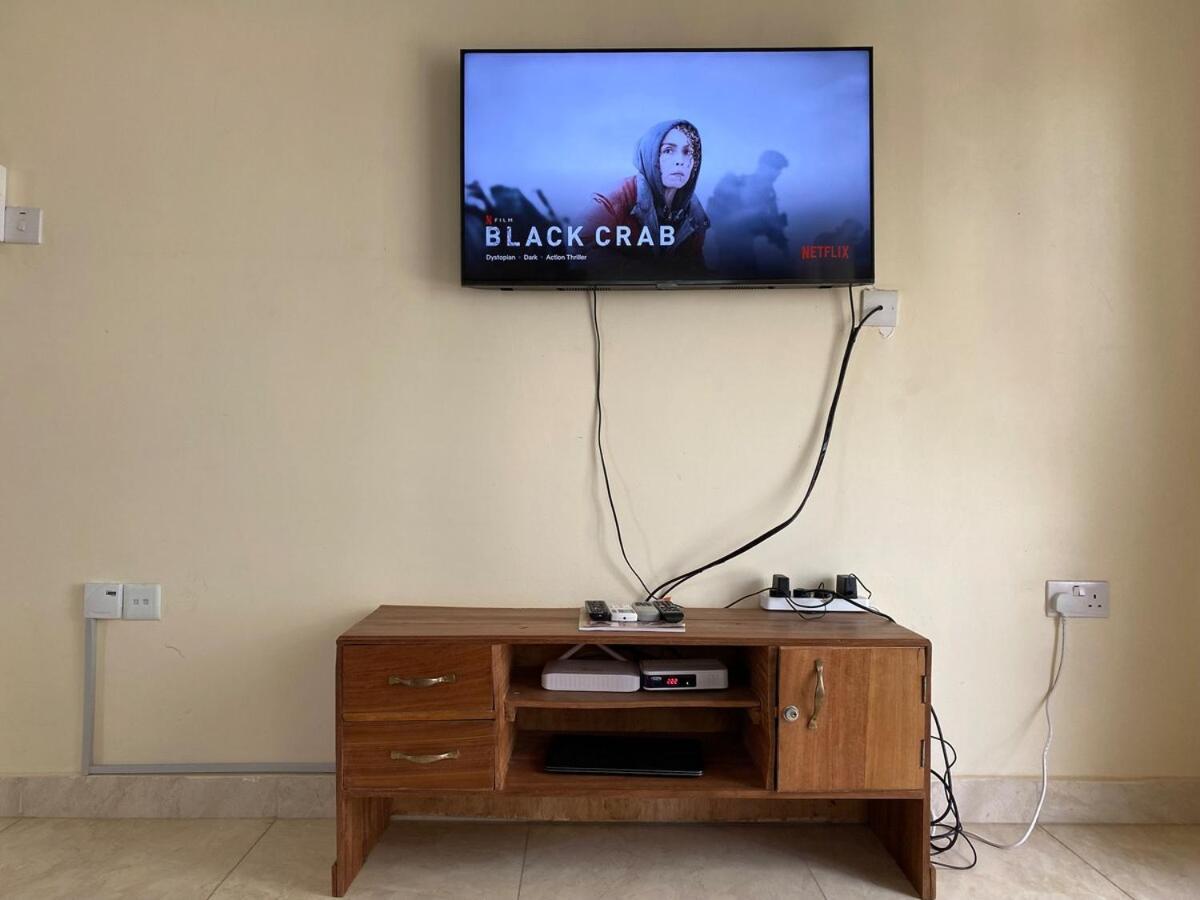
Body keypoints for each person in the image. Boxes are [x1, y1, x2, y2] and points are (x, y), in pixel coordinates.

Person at [583, 120, 710, 274]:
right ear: (650, 155)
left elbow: (695, 268)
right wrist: (647, 274)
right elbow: (581, 250)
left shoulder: (695, 215)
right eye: (668, 151)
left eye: (687, 152)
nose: (680, 161)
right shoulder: (613, 199)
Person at [707, 150, 790, 277]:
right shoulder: (737, 184)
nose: (778, 173)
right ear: (763, 166)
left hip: (748, 251)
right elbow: (720, 222)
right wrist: (754, 213)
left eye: (779, 169)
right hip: (731, 250)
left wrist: (785, 249)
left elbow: (774, 227)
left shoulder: (768, 192)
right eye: (776, 167)